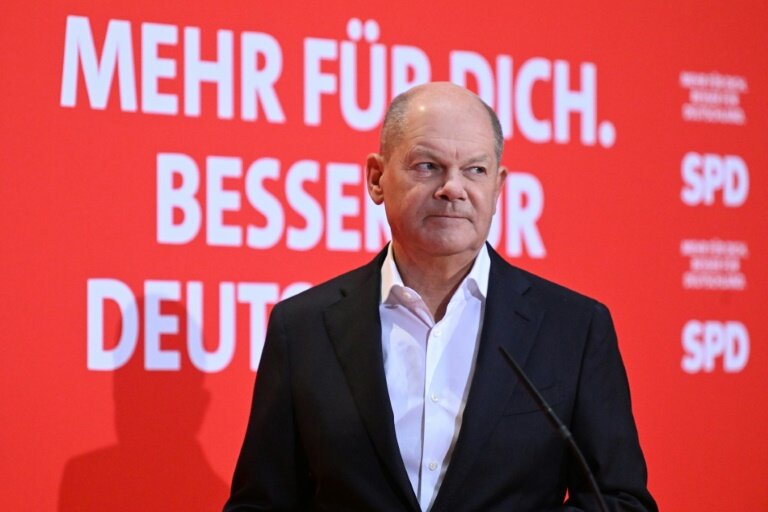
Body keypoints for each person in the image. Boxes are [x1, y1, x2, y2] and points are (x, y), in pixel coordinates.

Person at [224, 82, 657, 511]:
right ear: (377, 178)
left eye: (475, 170)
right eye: (427, 166)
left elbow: (619, 501)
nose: (453, 188)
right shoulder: (303, 328)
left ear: (498, 188)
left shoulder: (574, 329)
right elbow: (261, 503)